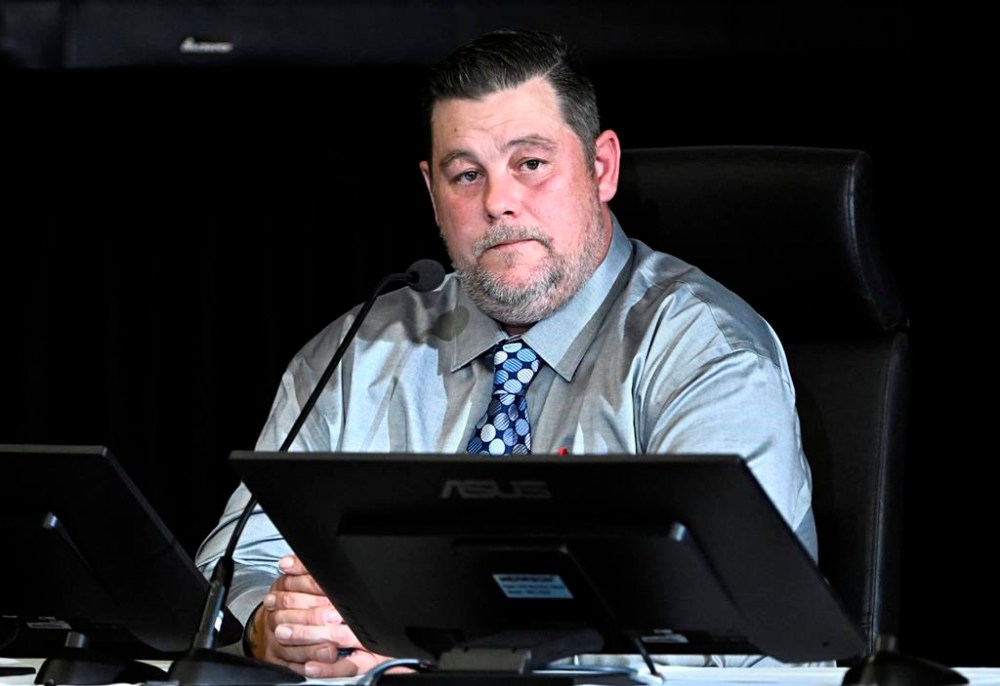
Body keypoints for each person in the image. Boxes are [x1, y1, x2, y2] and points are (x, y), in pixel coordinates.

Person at [195, 28, 818, 678]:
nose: (498, 202)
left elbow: (729, 634)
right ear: (432, 193)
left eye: (530, 164)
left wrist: (445, 649)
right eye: (466, 175)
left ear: (601, 168)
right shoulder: (362, 351)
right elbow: (233, 565)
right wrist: (274, 626)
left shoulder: (702, 352)